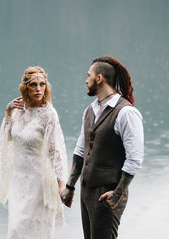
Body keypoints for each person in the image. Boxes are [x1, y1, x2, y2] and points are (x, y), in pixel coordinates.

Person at [61, 56, 144, 239]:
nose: (86, 80)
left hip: (108, 194)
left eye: (88, 75)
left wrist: (117, 194)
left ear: (99, 78)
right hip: (86, 191)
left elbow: (135, 158)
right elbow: (81, 150)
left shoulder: (126, 113)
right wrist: (70, 186)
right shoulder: (90, 110)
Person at [0, 66, 68, 239]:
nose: (38, 89)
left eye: (42, 84)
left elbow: (55, 150)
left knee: (36, 230)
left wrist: (61, 185)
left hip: (39, 182)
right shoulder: (18, 112)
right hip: (19, 181)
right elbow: (7, 139)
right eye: (33, 85)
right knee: (16, 229)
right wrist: (7, 113)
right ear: (25, 88)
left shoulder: (49, 115)